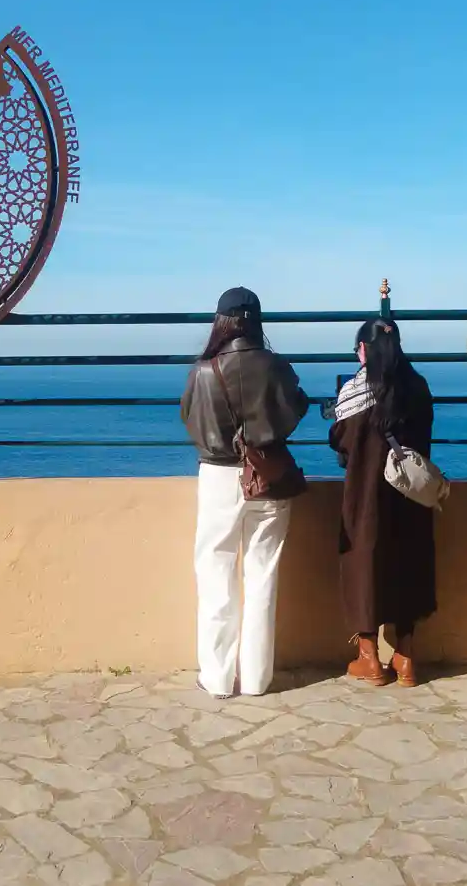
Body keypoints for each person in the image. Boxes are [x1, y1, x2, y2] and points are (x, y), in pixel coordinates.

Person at [180, 288, 310, 697]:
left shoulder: (203, 371)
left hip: (218, 476)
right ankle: (256, 678)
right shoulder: (276, 366)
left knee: (215, 573)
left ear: (220, 321)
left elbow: (189, 418)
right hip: (267, 474)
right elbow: (296, 409)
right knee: (262, 576)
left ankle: (217, 677)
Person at [329, 321, 437, 687]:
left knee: (363, 563)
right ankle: (405, 658)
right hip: (411, 495)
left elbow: (341, 441)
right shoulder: (418, 388)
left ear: (363, 349)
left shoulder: (354, 392)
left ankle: (369, 658)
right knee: (409, 562)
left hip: (366, 497)